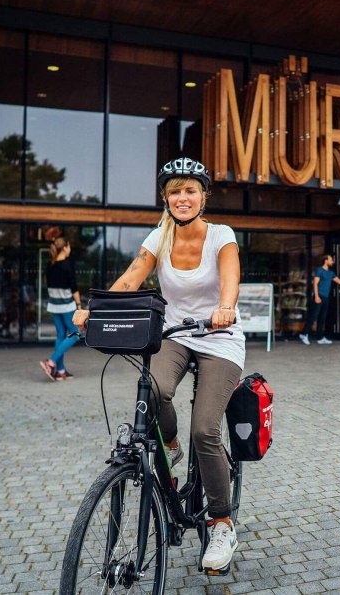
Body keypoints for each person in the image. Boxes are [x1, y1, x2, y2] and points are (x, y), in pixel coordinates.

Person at [74, 156, 245, 572]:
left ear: (203, 196)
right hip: (174, 335)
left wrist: (225, 307)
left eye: (190, 190)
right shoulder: (160, 236)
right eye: (174, 191)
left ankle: (222, 522)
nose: (182, 198)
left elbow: (230, 278)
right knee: (153, 390)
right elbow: (133, 277)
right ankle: (169, 444)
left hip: (218, 337)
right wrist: (97, 311)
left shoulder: (221, 235)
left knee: (205, 428)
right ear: (165, 198)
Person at [39, 237, 82, 381]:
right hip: (66, 305)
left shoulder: (50, 266)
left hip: (54, 305)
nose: (70, 249)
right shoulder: (66, 265)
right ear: (65, 248)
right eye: (69, 246)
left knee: (61, 336)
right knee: (76, 334)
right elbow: (73, 287)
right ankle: (51, 362)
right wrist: (79, 305)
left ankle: (61, 371)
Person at [299, 254, 340, 345]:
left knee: (322, 318)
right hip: (318, 296)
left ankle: (320, 338)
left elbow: (339, 281)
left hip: (325, 297)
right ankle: (304, 334)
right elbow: (315, 284)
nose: (332, 262)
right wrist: (316, 296)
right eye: (331, 260)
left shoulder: (331, 273)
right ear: (326, 261)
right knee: (313, 316)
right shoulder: (319, 270)